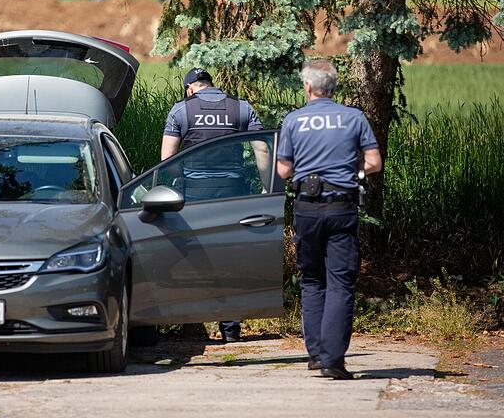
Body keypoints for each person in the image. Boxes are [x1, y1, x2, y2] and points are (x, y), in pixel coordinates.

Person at [276, 59, 382, 379]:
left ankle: (316, 355)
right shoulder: (354, 117)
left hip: (307, 208)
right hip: (341, 207)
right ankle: (333, 360)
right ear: (333, 87)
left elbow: (282, 171)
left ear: (307, 87)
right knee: (339, 281)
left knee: (312, 280)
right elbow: (374, 162)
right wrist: (355, 172)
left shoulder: (294, 120)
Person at [161, 67, 265, 342]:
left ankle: (192, 325)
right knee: (229, 258)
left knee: (193, 259)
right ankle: (230, 329)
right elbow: (262, 148)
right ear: (210, 84)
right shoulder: (241, 108)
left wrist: (181, 179)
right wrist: (267, 187)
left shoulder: (181, 110)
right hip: (233, 193)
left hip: (195, 196)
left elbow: (167, 158)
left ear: (190, 88)